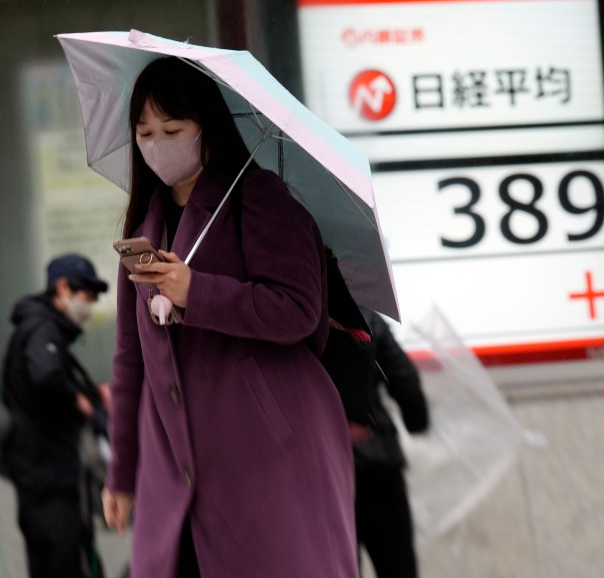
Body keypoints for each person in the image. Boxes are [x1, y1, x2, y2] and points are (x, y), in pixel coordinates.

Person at [100, 57, 358, 577]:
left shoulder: (258, 198)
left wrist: (197, 291)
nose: (157, 144)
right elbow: (131, 363)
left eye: (172, 129)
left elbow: (299, 310)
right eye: (144, 132)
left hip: (266, 453)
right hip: (176, 466)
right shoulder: (143, 225)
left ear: (206, 129)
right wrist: (122, 476)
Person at [1, 253, 109, 578]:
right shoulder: (42, 327)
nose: (88, 305)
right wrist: (80, 401)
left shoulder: (39, 326)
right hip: (49, 476)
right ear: (63, 288)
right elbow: (45, 374)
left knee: (46, 564)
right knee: (64, 562)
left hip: (37, 473)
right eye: (86, 295)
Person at [351, 308, 429, 578]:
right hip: (379, 462)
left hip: (323, 472)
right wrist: (416, 420)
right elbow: (404, 378)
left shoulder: (299, 322)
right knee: (397, 566)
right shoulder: (367, 317)